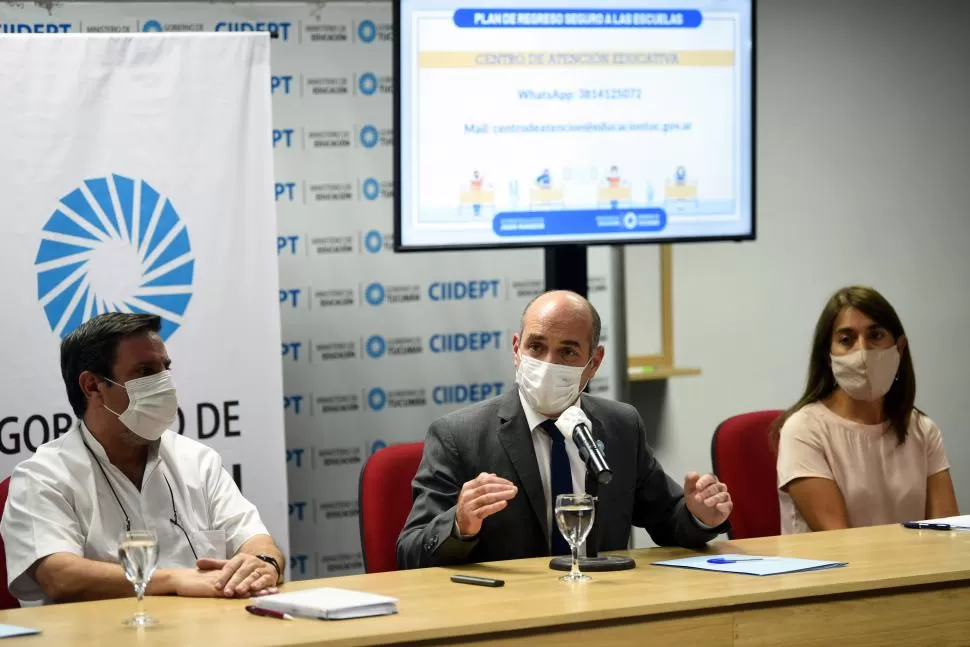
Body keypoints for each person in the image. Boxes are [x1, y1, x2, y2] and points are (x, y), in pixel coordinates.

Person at [397, 291, 732, 568]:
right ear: (517, 349)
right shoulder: (459, 436)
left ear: (594, 361)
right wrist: (459, 524)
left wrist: (699, 515)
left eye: (568, 351)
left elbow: (669, 521)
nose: (548, 363)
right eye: (536, 347)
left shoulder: (620, 426)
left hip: (604, 609)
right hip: (507, 616)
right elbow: (409, 552)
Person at [1, 313, 285, 604]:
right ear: (92, 386)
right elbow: (59, 576)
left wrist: (263, 563)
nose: (164, 383)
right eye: (145, 371)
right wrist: (175, 579)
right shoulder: (43, 476)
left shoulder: (198, 461)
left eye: (165, 368)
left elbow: (256, 539)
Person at [774, 286, 958, 534]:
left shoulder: (922, 430)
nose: (863, 351)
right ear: (829, 357)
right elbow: (840, 540)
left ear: (900, 348)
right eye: (846, 340)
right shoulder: (803, 431)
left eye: (876, 336)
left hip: (916, 570)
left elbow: (947, 534)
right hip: (836, 571)